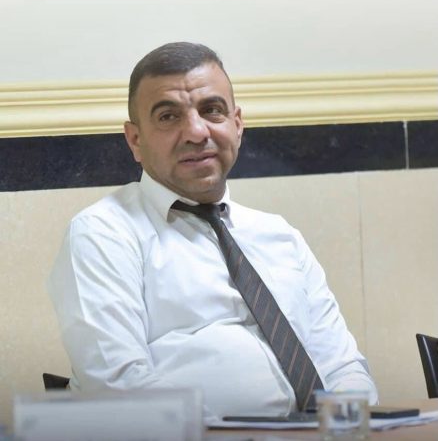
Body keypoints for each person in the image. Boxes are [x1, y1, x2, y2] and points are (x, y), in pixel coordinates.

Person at [48, 42, 378, 421]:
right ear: (135, 140)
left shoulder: (279, 235)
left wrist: (342, 426)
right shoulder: (103, 234)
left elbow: (343, 366)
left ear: (237, 124)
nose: (195, 131)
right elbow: (117, 385)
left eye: (212, 110)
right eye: (168, 117)